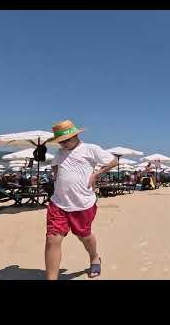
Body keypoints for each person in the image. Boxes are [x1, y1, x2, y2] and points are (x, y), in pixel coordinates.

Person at [45, 119, 118, 280]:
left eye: (66, 140)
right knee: (52, 239)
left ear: (75, 136)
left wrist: (96, 174)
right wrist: (56, 173)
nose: (63, 144)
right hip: (58, 203)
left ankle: (94, 257)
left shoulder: (90, 149)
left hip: (83, 203)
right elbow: (54, 165)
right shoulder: (59, 153)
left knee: (84, 236)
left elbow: (114, 161)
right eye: (60, 142)